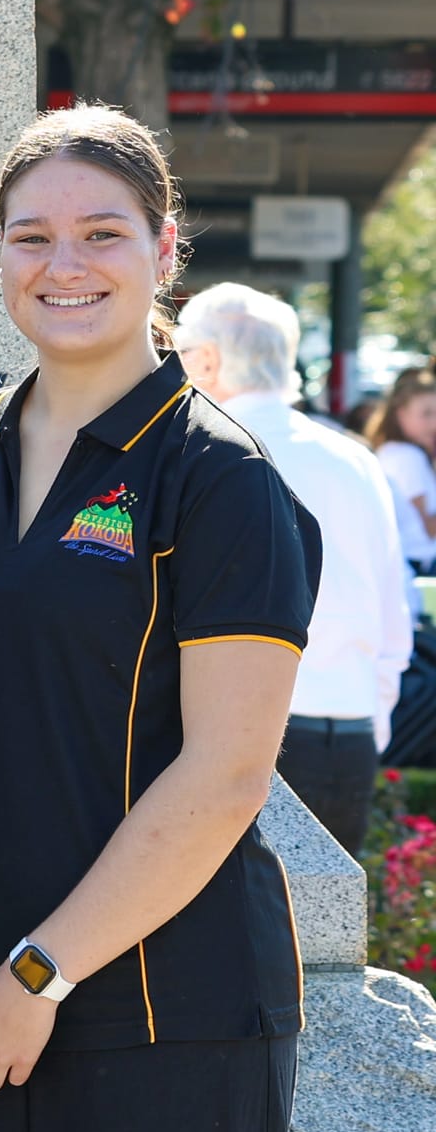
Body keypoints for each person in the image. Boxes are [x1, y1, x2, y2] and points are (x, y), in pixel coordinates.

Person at [0, 105, 322, 1132]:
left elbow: (223, 775)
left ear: (163, 248)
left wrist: (38, 975)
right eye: (29, 236)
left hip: (166, 1011)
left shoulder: (218, 477)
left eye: (101, 232)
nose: (61, 263)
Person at [176, 282, 412, 856]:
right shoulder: (355, 456)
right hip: (350, 728)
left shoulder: (202, 451)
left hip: (246, 742)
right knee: (328, 936)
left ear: (206, 359)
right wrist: (368, 721)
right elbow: (392, 614)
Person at [367, 367, 436, 611]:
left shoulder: (395, 452)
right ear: (401, 414)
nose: (434, 422)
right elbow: (427, 527)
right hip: (419, 567)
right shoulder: (407, 457)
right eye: (426, 414)